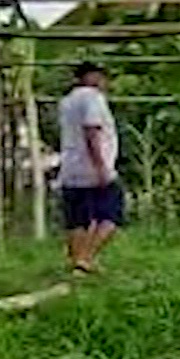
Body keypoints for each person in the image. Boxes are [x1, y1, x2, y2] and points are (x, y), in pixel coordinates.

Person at [57, 60, 122, 274]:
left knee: (78, 220)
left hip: (71, 168)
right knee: (111, 215)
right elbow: (91, 131)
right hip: (93, 169)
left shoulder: (66, 101)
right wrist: (101, 166)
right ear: (91, 77)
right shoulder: (93, 99)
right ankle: (86, 259)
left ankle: (77, 263)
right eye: (101, 76)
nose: (104, 82)